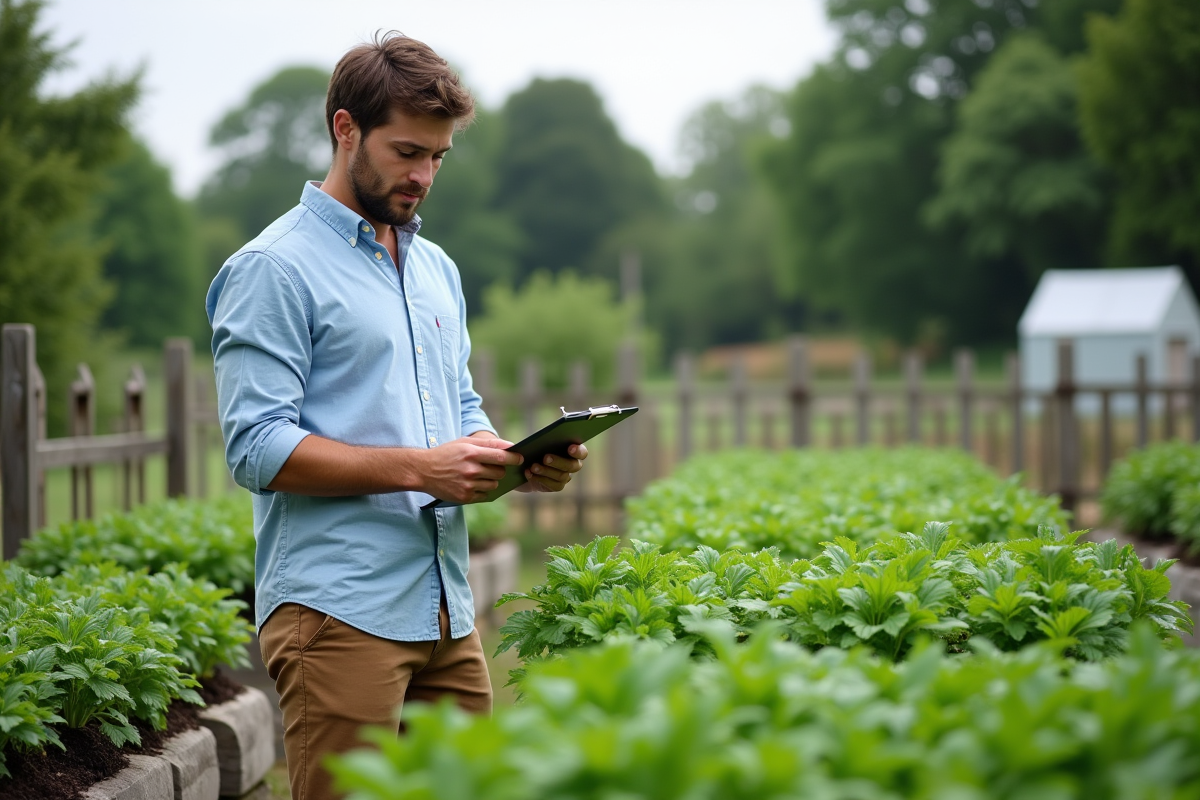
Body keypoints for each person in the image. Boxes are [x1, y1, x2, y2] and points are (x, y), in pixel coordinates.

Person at [206, 32, 587, 800]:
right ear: (346, 129)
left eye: (439, 157)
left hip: (445, 610)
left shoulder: (436, 268)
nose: (424, 176)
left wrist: (514, 465)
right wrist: (421, 468)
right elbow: (256, 448)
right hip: (337, 614)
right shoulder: (271, 270)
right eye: (408, 151)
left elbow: (460, 413)